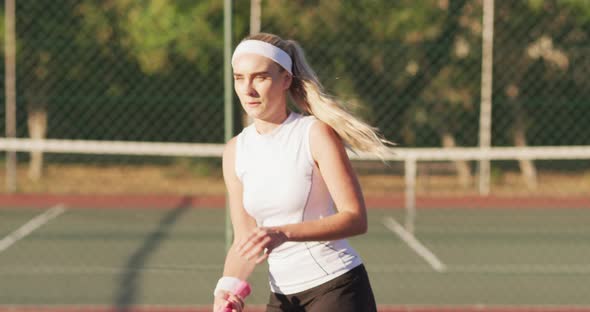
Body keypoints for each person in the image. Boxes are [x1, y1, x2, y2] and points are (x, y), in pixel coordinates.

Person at [213, 32, 392, 312]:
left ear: (286, 80)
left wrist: (282, 232)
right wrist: (226, 291)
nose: (247, 89)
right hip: (283, 297)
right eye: (239, 77)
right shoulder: (235, 151)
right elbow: (244, 240)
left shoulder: (315, 134)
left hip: (337, 287)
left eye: (260, 77)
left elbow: (356, 218)